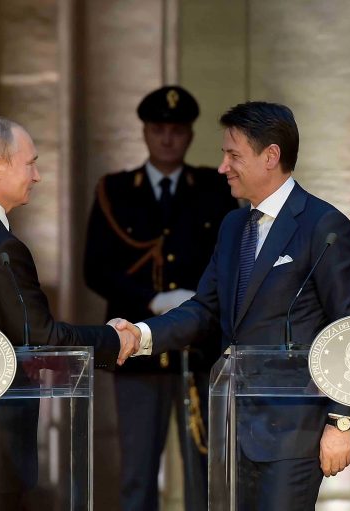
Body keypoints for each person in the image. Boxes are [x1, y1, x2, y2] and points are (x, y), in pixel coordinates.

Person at [113, 101, 350, 510]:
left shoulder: (323, 226)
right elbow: (205, 309)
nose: (223, 167)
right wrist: (141, 334)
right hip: (234, 426)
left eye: (233, 155)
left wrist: (341, 422)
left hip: (294, 432)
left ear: (270, 156)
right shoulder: (234, 226)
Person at [0, 116, 138, 510]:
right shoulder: (1, 247)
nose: (37, 176)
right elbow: (41, 339)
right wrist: (113, 339)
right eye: (30, 163)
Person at [84, 85, 238, 511]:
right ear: (145, 133)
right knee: (138, 473)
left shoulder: (213, 188)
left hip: (200, 352)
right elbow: (95, 269)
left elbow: (231, 261)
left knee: (205, 472)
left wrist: (197, 300)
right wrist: (152, 299)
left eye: (177, 130)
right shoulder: (115, 190)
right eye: (158, 129)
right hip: (137, 354)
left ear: (190, 135)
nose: (168, 138)